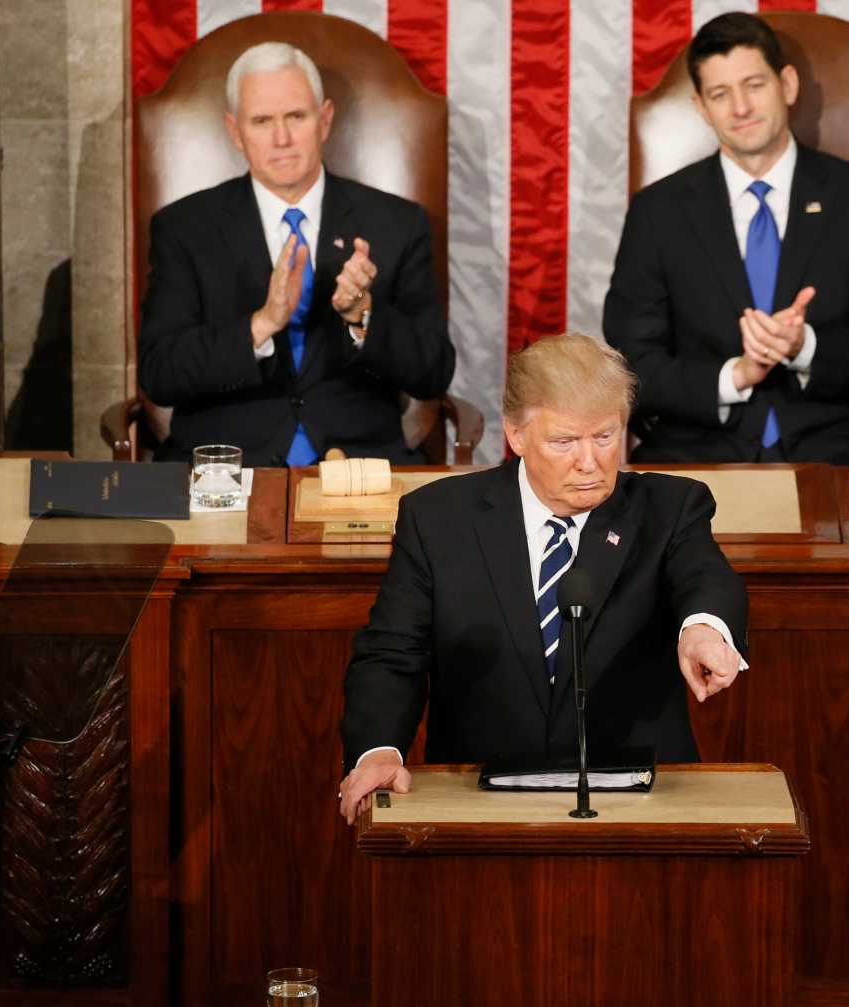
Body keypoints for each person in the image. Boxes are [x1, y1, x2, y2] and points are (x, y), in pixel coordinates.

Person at [337, 334, 748, 824]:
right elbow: (392, 652)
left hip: (639, 798)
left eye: (604, 436)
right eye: (564, 441)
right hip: (478, 796)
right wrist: (378, 750)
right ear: (516, 435)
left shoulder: (669, 508)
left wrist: (704, 628)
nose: (590, 462)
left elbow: (704, 577)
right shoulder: (438, 519)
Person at [603, 12, 849, 465]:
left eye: (754, 85)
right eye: (720, 93)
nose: (741, 108)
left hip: (838, 453)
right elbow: (632, 364)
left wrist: (804, 347)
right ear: (701, 107)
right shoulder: (659, 212)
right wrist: (734, 375)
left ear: (787, 86)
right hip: (698, 455)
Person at [138, 42, 455, 467]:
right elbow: (160, 374)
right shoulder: (184, 229)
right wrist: (260, 325)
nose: (281, 138)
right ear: (235, 132)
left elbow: (434, 371)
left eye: (295, 117)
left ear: (324, 121)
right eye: (262, 121)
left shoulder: (396, 223)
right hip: (224, 466)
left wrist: (364, 317)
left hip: (359, 464)